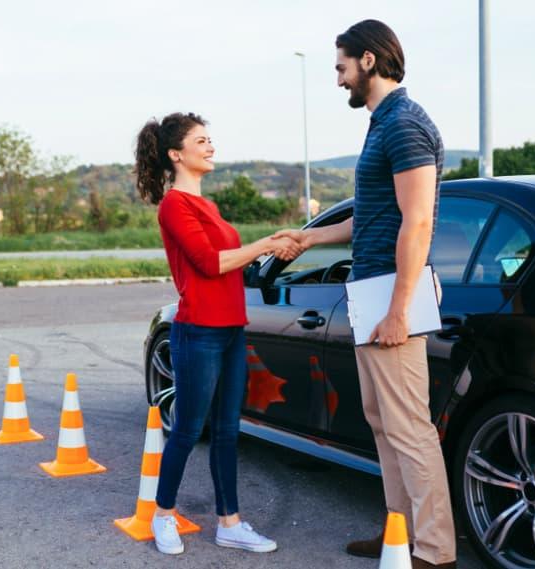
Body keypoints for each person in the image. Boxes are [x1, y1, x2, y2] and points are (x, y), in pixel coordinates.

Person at [275, 20, 457, 569]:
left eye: (341, 67)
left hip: (390, 292)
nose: (338, 80)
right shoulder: (383, 125)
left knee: (409, 426)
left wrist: (400, 309)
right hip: (372, 288)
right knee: (383, 420)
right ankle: (399, 533)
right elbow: (372, 218)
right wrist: (310, 237)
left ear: (370, 62)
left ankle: (434, 551)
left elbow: (418, 221)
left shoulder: (404, 125)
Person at [133, 111, 300, 556]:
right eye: (201, 140)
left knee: (228, 431)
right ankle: (162, 515)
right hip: (198, 331)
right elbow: (210, 263)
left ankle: (231, 523)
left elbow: (231, 260)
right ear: (176, 154)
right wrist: (265, 244)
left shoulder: (209, 206)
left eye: (211, 139)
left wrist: (275, 244)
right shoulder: (174, 205)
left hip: (230, 328)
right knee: (188, 429)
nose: (210, 146)